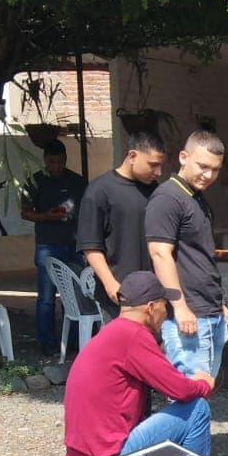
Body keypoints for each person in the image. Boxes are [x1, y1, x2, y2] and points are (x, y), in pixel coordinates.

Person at [64, 270, 216, 456]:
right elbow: (181, 390)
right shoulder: (134, 335)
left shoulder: (111, 331)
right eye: (165, 305)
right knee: (197, 408)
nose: (166, 313)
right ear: (151, 308)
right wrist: (204, 383)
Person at [147, 129, 228, 378]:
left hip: (209, 310)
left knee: (202, 392)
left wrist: (219, 305)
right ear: (183, 157)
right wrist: (180, 306)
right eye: (203, 166)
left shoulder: (196, 198)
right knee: (187, 396)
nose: (208, 175)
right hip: (188, 314)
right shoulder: (168, 198)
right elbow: (159, 253)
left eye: (216, 169)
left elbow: (200, 257)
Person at [77, 130, 168, 320]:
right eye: (153, 165)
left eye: (160, 165)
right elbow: (90, 245)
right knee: (120, 348)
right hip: (119, 297)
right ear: (132, 156)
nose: (158, 172)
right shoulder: (99, 191)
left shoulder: (156, 191)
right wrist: (110, 283)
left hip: (153, 295)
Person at [19, 140, 87, 355]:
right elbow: (25, 212)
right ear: (45, 161)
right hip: (48, 245)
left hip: (74, 244)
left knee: (76, 297)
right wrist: (46, 216)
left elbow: (88, 209)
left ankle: (76, 341)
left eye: (59, 162)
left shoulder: (78, 182)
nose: (56, 166)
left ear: (65, 159)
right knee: (47, 298)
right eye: (51, 162)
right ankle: (46, 342)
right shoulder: (35, 182)